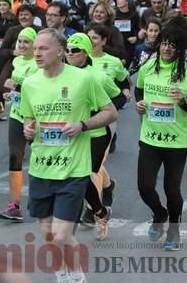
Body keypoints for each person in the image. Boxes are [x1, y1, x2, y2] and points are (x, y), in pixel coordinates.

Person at [20, 28, 117, 282]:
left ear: (60, 51)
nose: (37, 53)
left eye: (43, 48)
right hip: (41, 168)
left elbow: (110, 112)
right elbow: (29, 120)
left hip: (73, 169)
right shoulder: (30, 83)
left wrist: (82, 125)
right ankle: (65, 271)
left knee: (61, 234)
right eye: (35, 48)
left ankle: (76, 276)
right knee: (48, 235)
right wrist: (28, 130)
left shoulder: (83, 80)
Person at [135, 26, 187, 251]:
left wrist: (183, 101)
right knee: (145, 186)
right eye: (164, 43)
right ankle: (159, 213)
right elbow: (139, 89)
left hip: (176, 142)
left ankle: (174, 230)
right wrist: (140, 104)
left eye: (172, 45)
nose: (166, 48)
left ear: (179, 49)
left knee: (171, 190)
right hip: (150, 137)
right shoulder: (148, 67)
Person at [64, 33, 126, 241]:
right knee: (78, 173)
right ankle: (105, 196)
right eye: (68, 50)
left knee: (86, 173)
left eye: (76, 50)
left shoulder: (97, 76)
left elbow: (118, 96)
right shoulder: (60, 76)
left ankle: (94, 212)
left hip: (97, 132)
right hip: (71, 132)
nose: (70, 54)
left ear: (86, 52)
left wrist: (102, 114)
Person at [0, 27, 39, 222]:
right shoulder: (16, 61)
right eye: (19, 42)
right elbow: (19, 91)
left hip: (37, 117)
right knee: (15, 157)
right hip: (17, 114)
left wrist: (15, 87)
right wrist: (12, 95)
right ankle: (14, 206)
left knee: (40, 157)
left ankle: (43, 198)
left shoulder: (40, 63)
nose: (21, 45)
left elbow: (37, 88)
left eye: (26, 42)